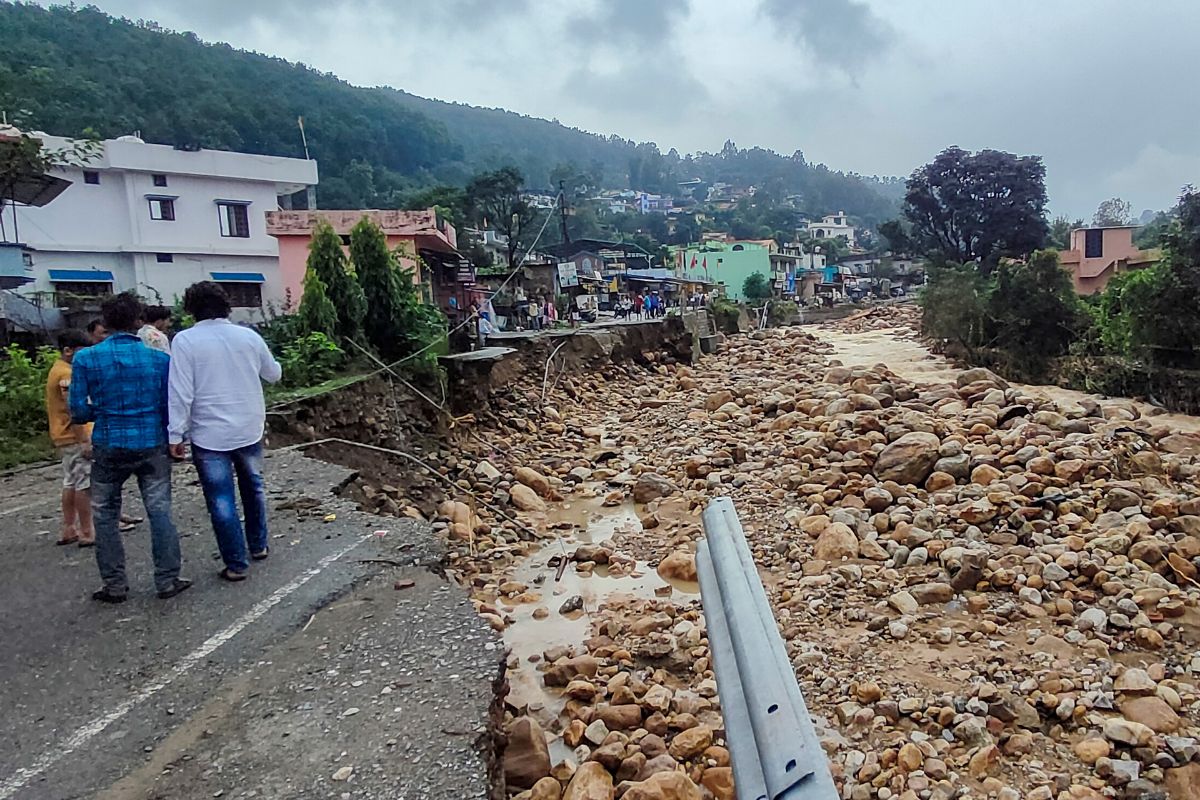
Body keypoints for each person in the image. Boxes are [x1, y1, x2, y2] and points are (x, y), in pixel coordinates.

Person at [69, 293, 190, 603]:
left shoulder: (85, 359)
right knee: (160, 510)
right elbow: (169, 407)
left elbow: (79, 411)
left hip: (108, 443)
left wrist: (103, 411)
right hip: (151, 442)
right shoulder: (160, 360)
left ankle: (115, 585)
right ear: (138, 320)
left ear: (105, 322)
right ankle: (167, 580)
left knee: (105, 515)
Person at [168, 282, 282, 582]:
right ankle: (258, 545)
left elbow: (180, 393)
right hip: (248, 427)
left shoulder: (184, 341)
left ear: (190, 309)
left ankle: (236, 563)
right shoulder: (248, 336)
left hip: (209, 435)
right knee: (253, 488)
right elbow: (274, 374)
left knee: (221, 499)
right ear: (226, 305)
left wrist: (175, 434)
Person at [46, 330, 95, 548]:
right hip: (74, 436)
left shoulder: (57, 369)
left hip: (63, 435)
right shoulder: (67, 374)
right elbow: (72, 407)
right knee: (84, 484)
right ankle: (87, 530)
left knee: (70, 481)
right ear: (68, 351)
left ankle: (68, 527)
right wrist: (84, 439)